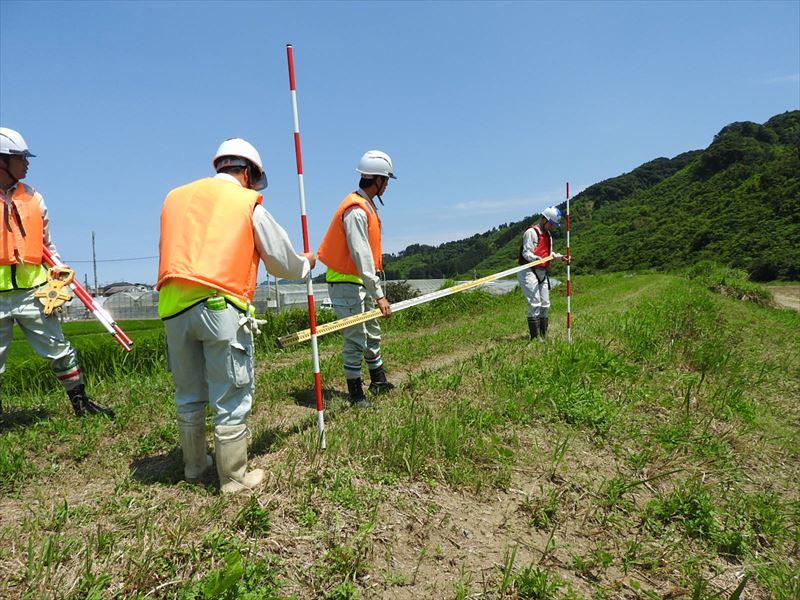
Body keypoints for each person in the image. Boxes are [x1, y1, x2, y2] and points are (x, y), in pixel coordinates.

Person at [157, 138, 314, 494]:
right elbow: (280, 260)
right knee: (230, 393)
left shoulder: (175, 198)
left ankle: (195, 467)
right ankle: (233, 478)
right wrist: (306, 265)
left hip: (172, 309)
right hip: (219, 306)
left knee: (189, 393)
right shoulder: (246, 202)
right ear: (247, 172)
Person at [0, 127, 113, 417]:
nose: (27, 163)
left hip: (33, 292)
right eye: (20, 157)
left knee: (58, 349)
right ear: (2, 161)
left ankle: (80, 403)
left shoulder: (34, 198)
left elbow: (48, 245)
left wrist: (60, 275)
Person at [317, 150, 396, 407]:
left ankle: (378, 380)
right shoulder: (356, 210)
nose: (386, 186)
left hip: (359, 282)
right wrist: (380, 295)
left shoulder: (366, 205)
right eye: (386, 180)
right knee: (355, 338)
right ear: (378, 180)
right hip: (346, 284)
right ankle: (355, 394)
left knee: (372, 332)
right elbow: (361, 256)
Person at [517, 206, 569, 341]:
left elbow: (549, 254)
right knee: (535, 304)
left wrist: (560, 257)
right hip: (528, 271)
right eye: (551, 224)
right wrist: (536, 259)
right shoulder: (531, 232)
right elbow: (526, 253)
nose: (552, 227)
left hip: (542, 272)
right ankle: (535, 338)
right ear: (545, 220)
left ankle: (543, 336)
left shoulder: (548, 235)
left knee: (545, 304)